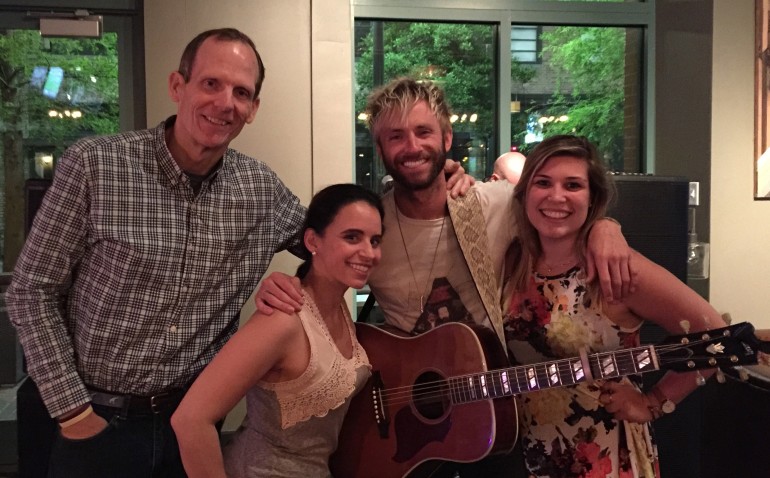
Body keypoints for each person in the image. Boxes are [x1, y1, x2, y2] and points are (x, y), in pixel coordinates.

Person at [6, 29, 470, 477]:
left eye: (242, 92)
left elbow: (336, 236)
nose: (225, 102)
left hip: (191, 423)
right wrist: (73, 412)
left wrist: (434, 177)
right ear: (177, 85)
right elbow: (31, 292)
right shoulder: (95, 165)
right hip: (95, 419)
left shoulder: (259, 189)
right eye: (211, 83)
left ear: (253, 108)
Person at [255, 77, 636, 477]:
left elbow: (559, 211)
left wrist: (605, 226)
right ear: (380, 147)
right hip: (404, 415)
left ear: (447, 137)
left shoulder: (498, 205)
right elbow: (321, 270)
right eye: (395, 136)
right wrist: (283, 286)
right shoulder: (373, 229)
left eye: (424, 132)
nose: (412, 147)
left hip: (493, 410)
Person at [501, 135, 727, 478]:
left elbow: (715, 335)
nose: (556, 196)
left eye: (573, 185)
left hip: (602, 455)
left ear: (593, 199)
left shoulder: (616, 269)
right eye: (543, 183)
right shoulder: (513, 262)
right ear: (525, 192)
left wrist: (653, 403)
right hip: (527, 453)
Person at [171, 183, 382, 478]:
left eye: (375, 240)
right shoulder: (283, 320)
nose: (368, 252)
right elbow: (190, 419)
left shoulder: (339, 308)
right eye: (352, 237)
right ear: (312, 240)